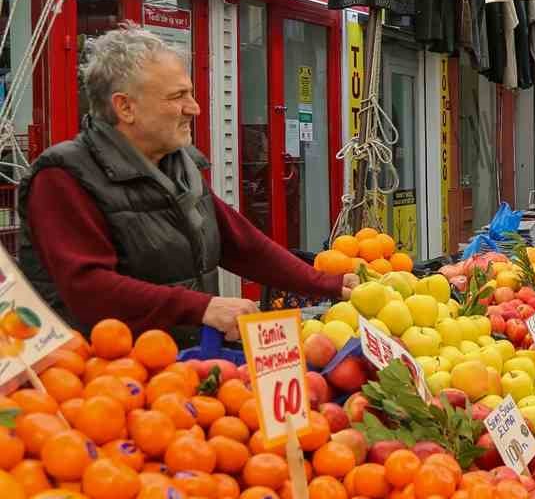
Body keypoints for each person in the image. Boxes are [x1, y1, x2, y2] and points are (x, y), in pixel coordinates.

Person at [17, 26, 354, 341]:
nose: (193, 108)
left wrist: (333, 284)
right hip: (100, 377)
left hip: (180, 364)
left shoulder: (179, 165)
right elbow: (89, 288)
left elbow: (242, 245)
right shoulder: (62, 178)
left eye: (190, 94)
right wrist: (201, 308)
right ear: (125, 107)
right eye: (177, 96)